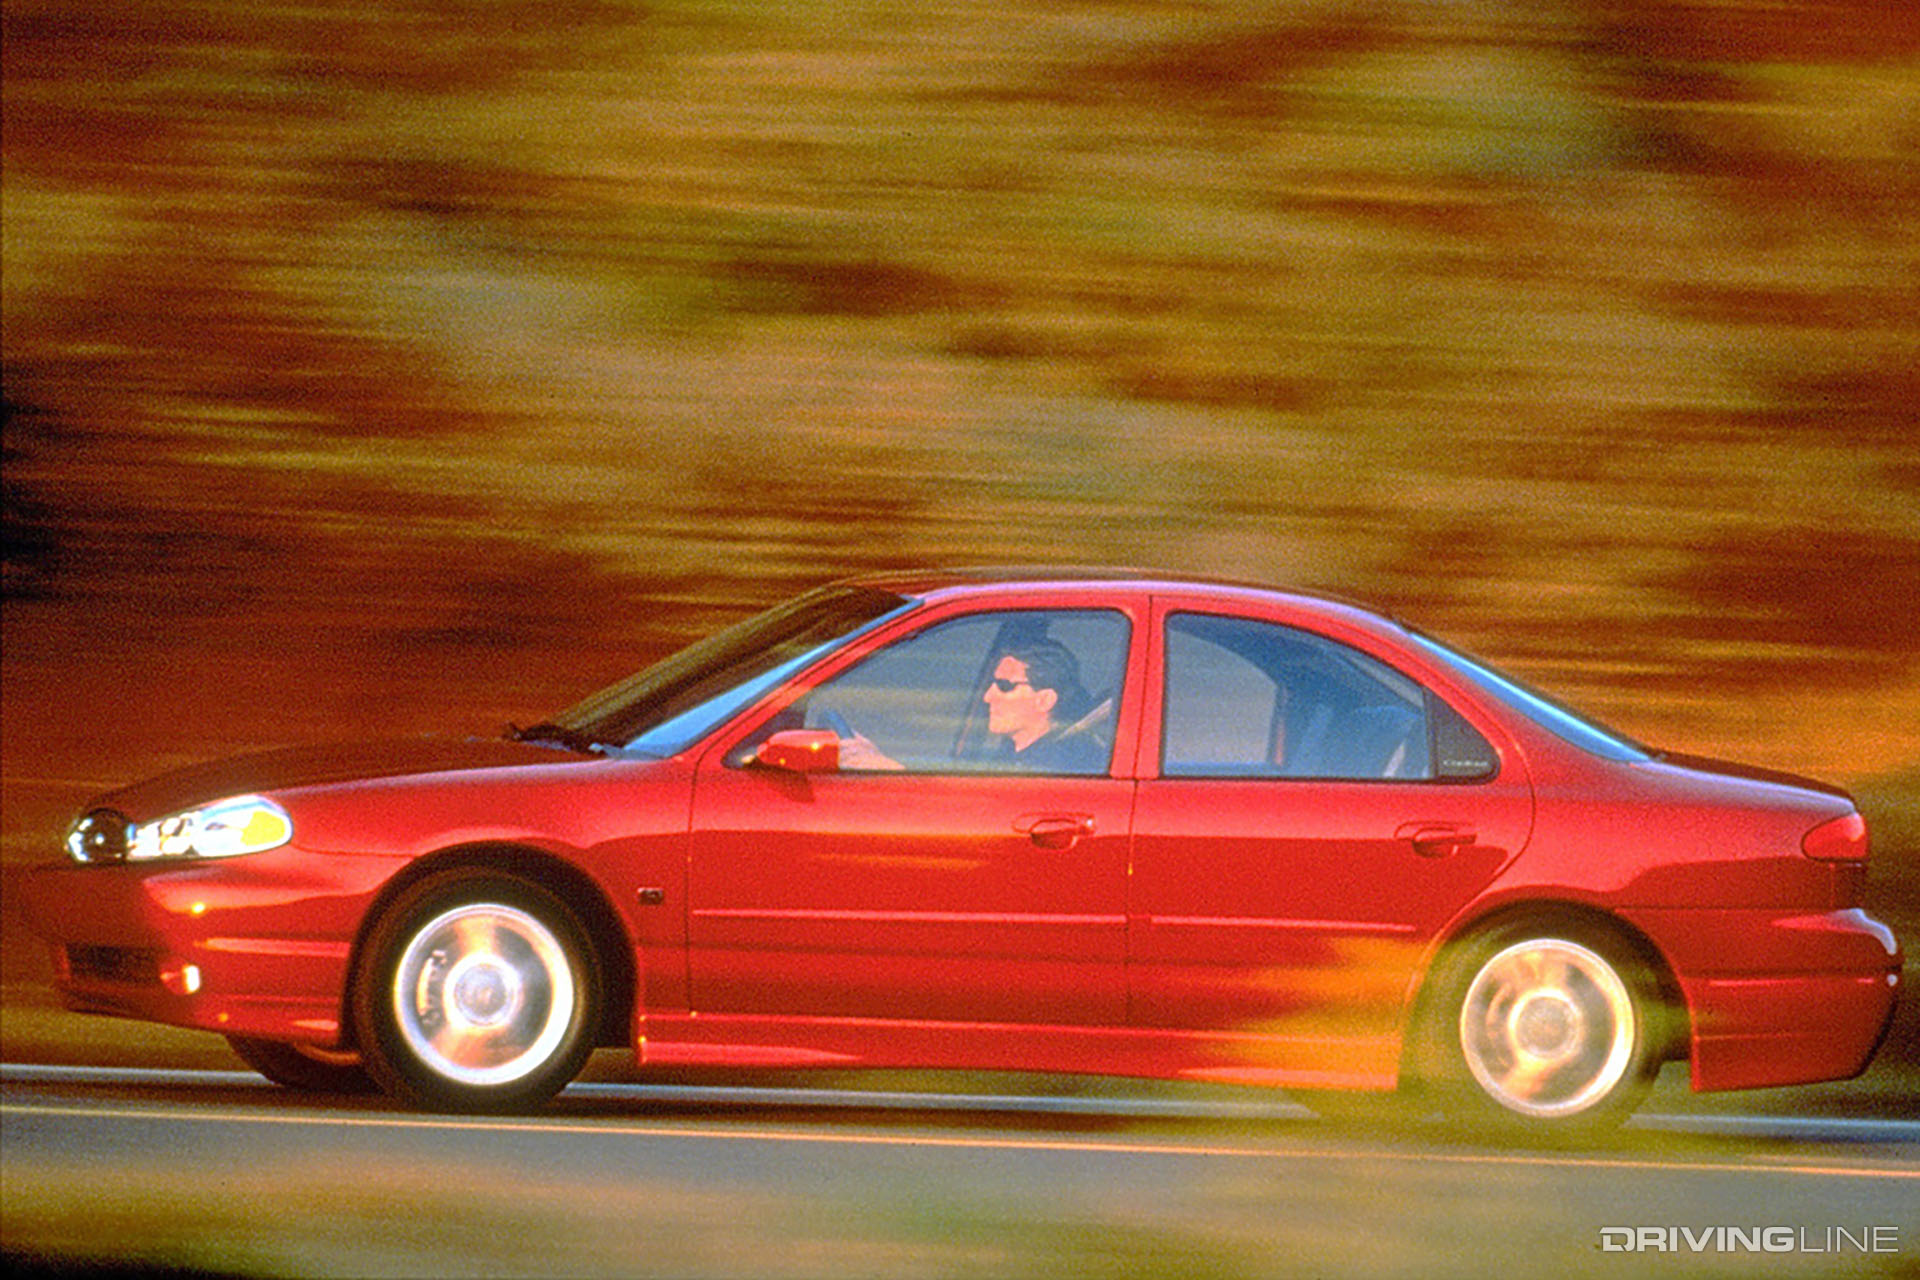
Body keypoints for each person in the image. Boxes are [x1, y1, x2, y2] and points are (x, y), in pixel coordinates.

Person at [836, 638, 1107, 774]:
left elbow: (971, 808)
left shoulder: (1051, 767)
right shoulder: (1011, 755)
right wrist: (874, 757)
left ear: (1044, 700)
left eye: (1004, 686)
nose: (988, 696)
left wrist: (888, 772)